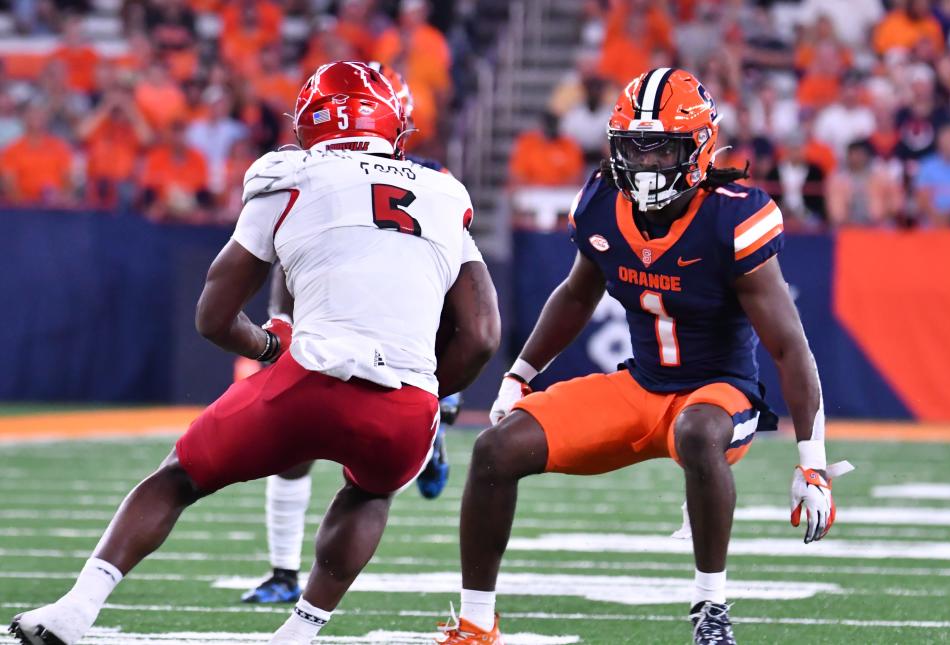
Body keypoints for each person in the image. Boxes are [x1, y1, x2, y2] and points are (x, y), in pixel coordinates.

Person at [9, 60, 500, 645]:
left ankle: (74, 612)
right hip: (405, 406)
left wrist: (270, 347)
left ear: (307, 126)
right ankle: (299, 632)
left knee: (176, 479)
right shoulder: (445, 194)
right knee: (370, 492)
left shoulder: (290, 177)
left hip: (309, 382)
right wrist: (429, 389)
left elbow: (213, 317)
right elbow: (482, 337)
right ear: (394, 125)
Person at [437, 68, 852, 645]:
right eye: (633, 146)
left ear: (699, 148)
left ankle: (711, 609)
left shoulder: (733, 214)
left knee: (699, 431)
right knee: (494, 451)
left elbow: (789, 346)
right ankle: (478, 622)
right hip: (642, 387)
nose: (644, 163)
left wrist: (812, 460)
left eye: (661, 149)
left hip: (720, 392)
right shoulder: (604, 199)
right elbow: (576, 294)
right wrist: (518, 377)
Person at [239, 60, 474, 605]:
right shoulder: (310, 173)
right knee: (291, 448)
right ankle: (282, 571)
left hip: (406, 330)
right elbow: (287, 261)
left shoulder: (436, 185)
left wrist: (439, 373)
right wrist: (284, 328)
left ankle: (434, 423)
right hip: (331, 316)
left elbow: (458, 286)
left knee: (370, 461)